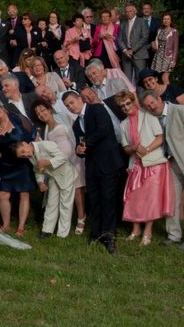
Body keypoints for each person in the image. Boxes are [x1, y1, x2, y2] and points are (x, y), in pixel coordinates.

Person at [63, 90, 124, 254]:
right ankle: (96, 232)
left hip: (108, 162)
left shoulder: (96, 109)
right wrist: (79, 151)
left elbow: (104, 129)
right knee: (95, 199)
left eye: (72, 102)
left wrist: (86, 144)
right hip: (91, 165)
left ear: (79, 99)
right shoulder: (76, 124)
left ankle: (109, 234)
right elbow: (80, 145)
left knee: (108, 199)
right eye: (67, 106)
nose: (71, 107)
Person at [115, 91, 174, 246]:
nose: (126, 107)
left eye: (128, 103)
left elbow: (160, 137)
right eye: (122, 106)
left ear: (134, 101)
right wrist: (134, 149)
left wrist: (146, 150)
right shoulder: (123, 124)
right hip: (135, 165)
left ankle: (148, 232)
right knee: (133, 198)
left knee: (150, 199)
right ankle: (136, 229)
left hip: (154, 164)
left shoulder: (148, 116)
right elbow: (126, 148)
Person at [32, 99, 86, 235]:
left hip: (73, 158)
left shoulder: (63, 118)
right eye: (38, 113)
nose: (41, 114)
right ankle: (49, 228)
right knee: (54, 197)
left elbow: (75, 134)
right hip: (57, 163)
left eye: (43, 110)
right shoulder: (43, 129)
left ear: (49, 109)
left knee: (77, 192)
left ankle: (79, 218)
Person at [0, 103, 38, 237]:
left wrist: (34, 151)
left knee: (23, 194)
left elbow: (33, 133)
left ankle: (21, 226)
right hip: (6, 167)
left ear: (1, 108)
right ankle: (6, 224)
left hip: (23, 164)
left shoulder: (18, 119)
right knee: (3, 194)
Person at [141, 91, 184, 248]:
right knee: (172, 200)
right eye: (147, 106)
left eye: (152, 103)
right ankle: (174, 235)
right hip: (170, 163)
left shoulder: (179, 110)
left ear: (159, 99)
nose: (151, 107)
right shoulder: (152, 119)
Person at [15, 140, 76, 238]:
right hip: (52, 177)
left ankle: (62, 234)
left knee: (65, 205)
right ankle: (47, 230)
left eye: (23, 151)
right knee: (51, 203)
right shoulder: (31, 157)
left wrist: (49, 162)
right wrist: (40, 182)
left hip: (66, 175)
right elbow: (37, 169)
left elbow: (64, 157)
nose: (25, 155)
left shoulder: (46, 145)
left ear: (25, 143)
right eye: (22, 156)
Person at [117, 3, 150, 83]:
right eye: (126, 12)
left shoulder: (142, 21)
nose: (128, 13)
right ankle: (129, 95)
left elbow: (144, 38)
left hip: (139, 54)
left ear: (135, 11)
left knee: (140, 78)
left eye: (130, 11)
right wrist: (125, 50)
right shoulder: (123, 24)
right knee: (127, 79)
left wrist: (133, 50)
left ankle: (141, 95)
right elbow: (119, 39)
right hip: (126, 55)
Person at [151, 12, 179, 84]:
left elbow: (175, 47)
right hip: (158, 55)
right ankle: (161, 94)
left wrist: (174, 60)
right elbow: (156, 41)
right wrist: (153, 44)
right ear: (162, 20)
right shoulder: (160, 30)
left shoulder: (174, 31)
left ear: (171, 20)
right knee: (157, 78)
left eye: (168, 19)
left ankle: (170, 94)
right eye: (164, 19)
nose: (166, 21)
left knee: (165, 77)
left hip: (168, 57)